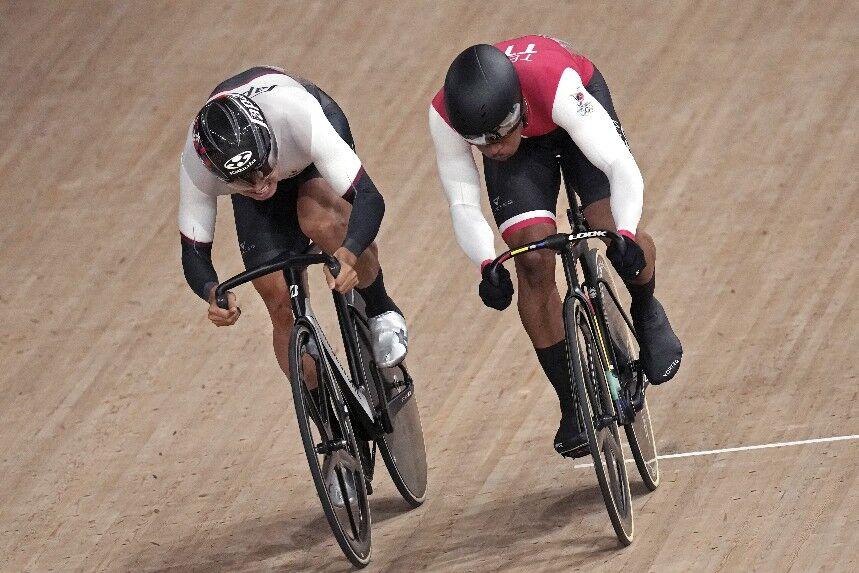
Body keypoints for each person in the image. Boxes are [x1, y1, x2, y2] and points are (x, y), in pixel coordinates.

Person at [429, 36, 682, 458]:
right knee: (531, 259)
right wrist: (486, 262)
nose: (493, 151)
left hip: (568, 115)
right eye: (482, 144)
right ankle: (572, 399)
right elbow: (462, 200)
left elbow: (620, 166)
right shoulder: (446, 115)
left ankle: (646, 306)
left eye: (498, 137)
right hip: (528, 147)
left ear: (518, 109)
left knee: (606, 223)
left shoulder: (555, 83)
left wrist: (626, 234)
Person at [179, 66, 407, 503]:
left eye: (260, 170)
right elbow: (194, 253)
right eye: (242, 181)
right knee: (276, 298)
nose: (260, 185)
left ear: (264, 139)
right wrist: (212, 292)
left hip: (302, 154)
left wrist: (347, 253)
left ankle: (380, 308)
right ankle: (337, 441)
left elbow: (370, 200)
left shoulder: (297, 114)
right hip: (265, 160)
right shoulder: (198, 164)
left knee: (323, 222)